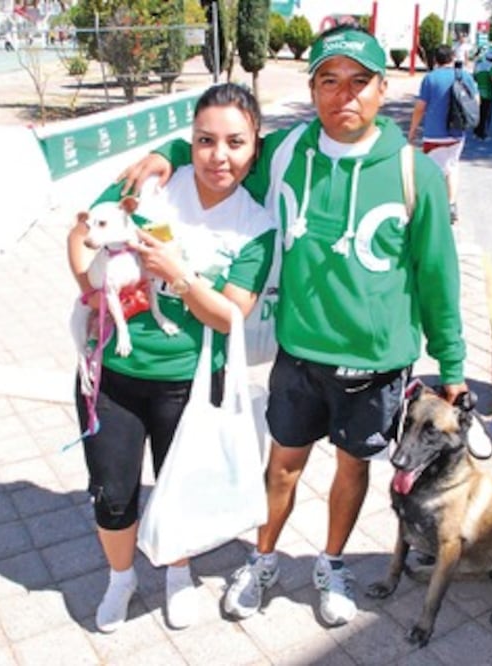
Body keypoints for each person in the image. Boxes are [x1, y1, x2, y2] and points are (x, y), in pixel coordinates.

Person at [120, 24, 468, 627]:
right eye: (329, 81)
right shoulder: (286, 153)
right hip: (300, 354)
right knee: (282, 465)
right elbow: (224, 159)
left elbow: (439, 275)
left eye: (361, 82)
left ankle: (332, 563)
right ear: (313, 89)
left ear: (384, 90)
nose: (345, 96)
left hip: (378, 361)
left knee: (353, 467)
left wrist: (455, 366)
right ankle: (261, 558)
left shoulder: (418, 174)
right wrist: (172, 151)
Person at [67, 83, 275, 633]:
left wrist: (178, 275)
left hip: (189, 383)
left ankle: (177, 574)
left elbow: (231, 315)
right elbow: (82, 229)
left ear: (256, 145)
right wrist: (93, 285)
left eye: (235, 142)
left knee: (180, 488)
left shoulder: (256, 224)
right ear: (190, 140)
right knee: (112, 495)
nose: (218, 155)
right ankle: (121, 579)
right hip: (111, 374)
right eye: (204, 140)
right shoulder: (154, 182)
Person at [408, 45, 478, 224]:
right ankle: (451, 205)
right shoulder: (464, 76)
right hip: (457, 132)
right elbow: (476, 100)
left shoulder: (430, 79)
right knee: (452, 167)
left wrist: (413, 129)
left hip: (434, 133)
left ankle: (432, 208)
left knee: (432, 171)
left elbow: (420, 107)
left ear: (435, 60)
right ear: (452, 57)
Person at [473, 49, 492, 140]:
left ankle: (476, 131)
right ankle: (482, 133)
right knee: (486, 114)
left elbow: (475, 77)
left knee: (479, 112)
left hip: (478, 92)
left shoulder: (479, 65)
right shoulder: (491, 67)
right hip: (488, 93)